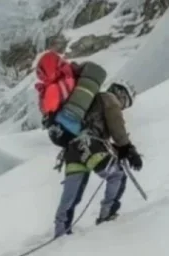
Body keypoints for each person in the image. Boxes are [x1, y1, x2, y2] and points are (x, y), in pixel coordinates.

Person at [35, 50, 144, 237]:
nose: (124, 105)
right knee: (116, 175)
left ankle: (61, 231)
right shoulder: (109, 99)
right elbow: (117, 128)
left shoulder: (87, 100)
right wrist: (128, 148)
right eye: (126, 100)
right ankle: (106, 216)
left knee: (72, 192)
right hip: (90, 145)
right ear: (121, 94)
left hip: (72, 148)